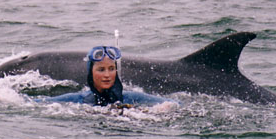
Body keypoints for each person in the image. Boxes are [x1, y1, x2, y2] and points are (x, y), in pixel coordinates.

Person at [35, 46, 175, 107]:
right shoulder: (78, 99)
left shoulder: (130, 97)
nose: (107, 75)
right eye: (101, 70)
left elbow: (174, 104)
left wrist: (158, 110)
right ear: (91, 72)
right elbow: (35, 104)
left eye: (111, 69)